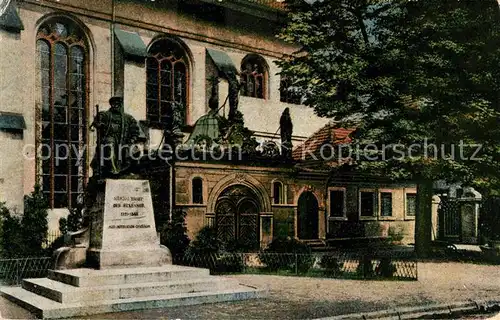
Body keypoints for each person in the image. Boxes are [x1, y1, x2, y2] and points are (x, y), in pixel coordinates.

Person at [90, 96, 141, 178]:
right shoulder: (105, 114)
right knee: (109, 146)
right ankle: (113, 171)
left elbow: (135, 131)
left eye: (119, 104)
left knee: (135, 150)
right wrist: (98, 123)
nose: (117, 106)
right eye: (115, 104)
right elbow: (97, 121)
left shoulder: (128, 118)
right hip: (110, 139)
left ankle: (129, 171)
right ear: (111, 105)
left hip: (124, 141)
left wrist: (132, 139)